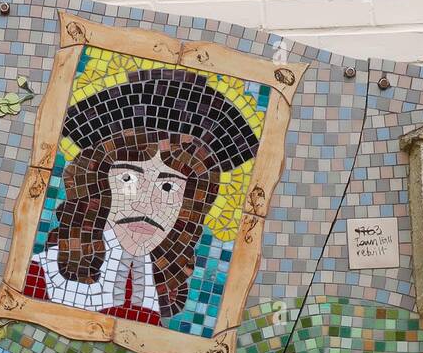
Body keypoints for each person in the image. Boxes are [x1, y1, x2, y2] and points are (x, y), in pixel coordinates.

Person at [25, 68, 260, 326]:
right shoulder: (41, 277)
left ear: (190, 204)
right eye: (129, 179)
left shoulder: (155, 289)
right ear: (97, 182)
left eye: (169, 187)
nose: (146, 204)